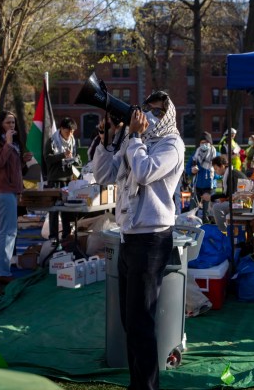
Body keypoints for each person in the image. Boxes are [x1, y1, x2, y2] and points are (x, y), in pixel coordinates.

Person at [92, 90, 185, 390]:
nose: (151, 114)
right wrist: (109, 138)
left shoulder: (172, 144)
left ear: (167, 113)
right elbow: (104, 173)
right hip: (129, 237)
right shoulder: (135, 141)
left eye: (158, 110)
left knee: (141, 321)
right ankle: (138, 384)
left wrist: (134, 139)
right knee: (130, 320)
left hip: (153, 239)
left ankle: (147, 386)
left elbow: (144, 173)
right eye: (148, 108)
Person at [0, 111, 33, 284]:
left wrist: (23, 161)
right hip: (1, 190)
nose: (11, 126)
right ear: (0, 124)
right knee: (8, 231)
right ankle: (2, 271)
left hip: (10, 189)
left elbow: (10, 168)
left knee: (0, 230)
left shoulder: (9, 143)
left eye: (13, 123)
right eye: (8, 123)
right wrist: (8, 144)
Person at [43, 117, 81, 241]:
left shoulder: (72, 140)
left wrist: (75, 159)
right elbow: (48, 159)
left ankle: (66, 236)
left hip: (68, 179)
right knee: (54, 210)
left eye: (72, 132)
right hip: (55, 179)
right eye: (67, 131)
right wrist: (62, 155)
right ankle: (53, 237)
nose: (70, 134)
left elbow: (74, 154)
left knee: (67, 209)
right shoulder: (52, 141)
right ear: (61, 129)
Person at [203, 155, 247, 234]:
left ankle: (223, 232)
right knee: (214, 204)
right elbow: (226, 194)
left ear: (222, 166)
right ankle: (222, 228)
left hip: (242, 204)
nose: (216, 171)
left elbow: (229, 195)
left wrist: (211, 197)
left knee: (217, 207)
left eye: (216, 168)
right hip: (239, 201)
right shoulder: (229, 174)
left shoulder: (232, 175)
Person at [186, 131, 216, 219]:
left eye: (206, 142)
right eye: (202, 142)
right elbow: (187, 169)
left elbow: (220, 173)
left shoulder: (215, 155)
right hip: (196, 186)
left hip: (209, 188)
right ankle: (192, 230)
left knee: (207, 214)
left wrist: (213, 172)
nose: (204, 144)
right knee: (192, 212)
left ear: (210, 143)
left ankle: (207, 230)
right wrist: (192, 171)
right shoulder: (195, 155)